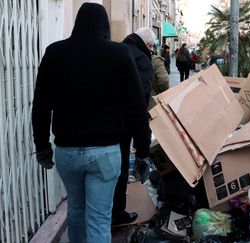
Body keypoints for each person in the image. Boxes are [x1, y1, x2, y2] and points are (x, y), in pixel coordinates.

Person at [31, 3, 150, 243]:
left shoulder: (54, 53)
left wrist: (42, 146)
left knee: (76, 211)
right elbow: (136, 107)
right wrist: (142, 151)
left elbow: (41, 105)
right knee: (98, 219)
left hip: (67, 152)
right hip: (105, 153)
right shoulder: (119, 54)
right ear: (104, 25)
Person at [111, 27, 156, 226]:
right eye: (152, 47)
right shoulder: (142, 59)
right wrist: (142, 147)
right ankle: (117, 213)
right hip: (125, 123)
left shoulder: (115, 51)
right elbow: (140, 101)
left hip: (105, 120)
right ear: (147, 45)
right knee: (120, 167)